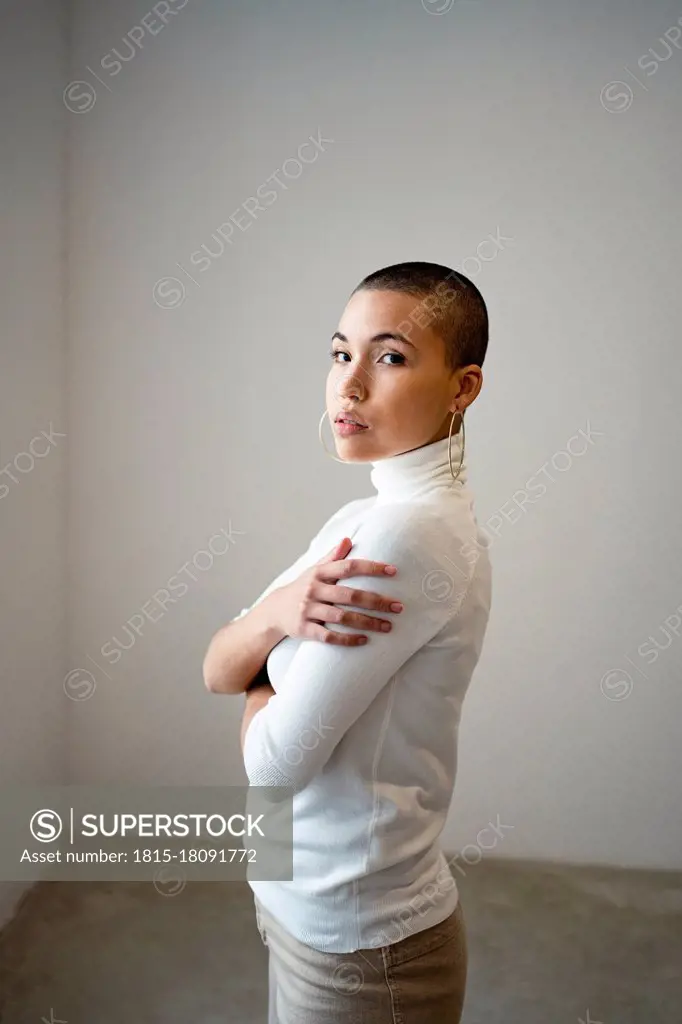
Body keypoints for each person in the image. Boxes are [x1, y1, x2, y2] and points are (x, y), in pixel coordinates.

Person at [203, 261, 493, 1023]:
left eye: (390, 357)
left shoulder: (406, 534)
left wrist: (260, 655)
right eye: (341, 354)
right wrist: (274, 622)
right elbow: (214, 666)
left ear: (463, 388)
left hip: (360, 946)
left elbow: (273, 763)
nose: (350, 384)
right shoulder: (360, 517)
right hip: (304, 908)